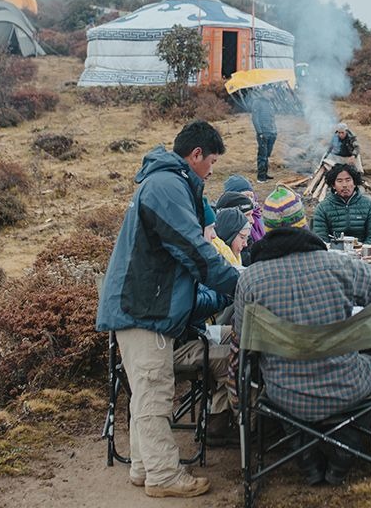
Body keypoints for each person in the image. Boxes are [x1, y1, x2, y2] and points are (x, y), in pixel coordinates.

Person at [96, 121, 239, 498]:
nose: (211, 171)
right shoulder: (167, 185)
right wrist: (239, 284)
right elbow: (194, 250)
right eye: (211, 162)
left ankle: (144, 467)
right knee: (155, 391)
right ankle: (163, 475)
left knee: (145, 390)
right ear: (196, 154)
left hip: (143, 303)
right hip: (144, 307)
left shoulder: (164, 181)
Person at [233, 225, 371, 485]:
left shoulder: (250, 279)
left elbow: (242, 335)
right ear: (304, 227)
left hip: (283, 393)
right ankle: (346, 444)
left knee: (282, 372)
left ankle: (305, 453)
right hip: (347, 388)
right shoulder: (338, 265)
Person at [311, 163, 371, 242]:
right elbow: (321, 237)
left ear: (354, 183)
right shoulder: (323, 207)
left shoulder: (369, 205)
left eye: (348, 180)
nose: (344, 185)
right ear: (333, 185)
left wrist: (364, 247)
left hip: (363, 248)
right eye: (339, 181)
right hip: (333, 248)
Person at [222, 174, 266, 244]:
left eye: (251, 196)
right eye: (246, 196)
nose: (250, 200)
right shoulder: (229, 222)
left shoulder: (256, 215)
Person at [250, 93, 277, 183]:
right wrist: (260, 132)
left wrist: (275, 131)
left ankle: (265, 173)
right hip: (263, 133)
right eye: (269, 91)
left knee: (267, 155)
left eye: (272, 91)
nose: (271, 93)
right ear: (264, 92)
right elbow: (255, 119)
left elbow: (272, 117)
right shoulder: (257, 102)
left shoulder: (270, 102)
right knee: (262, 155)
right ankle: (261, 177)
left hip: (272, 132)